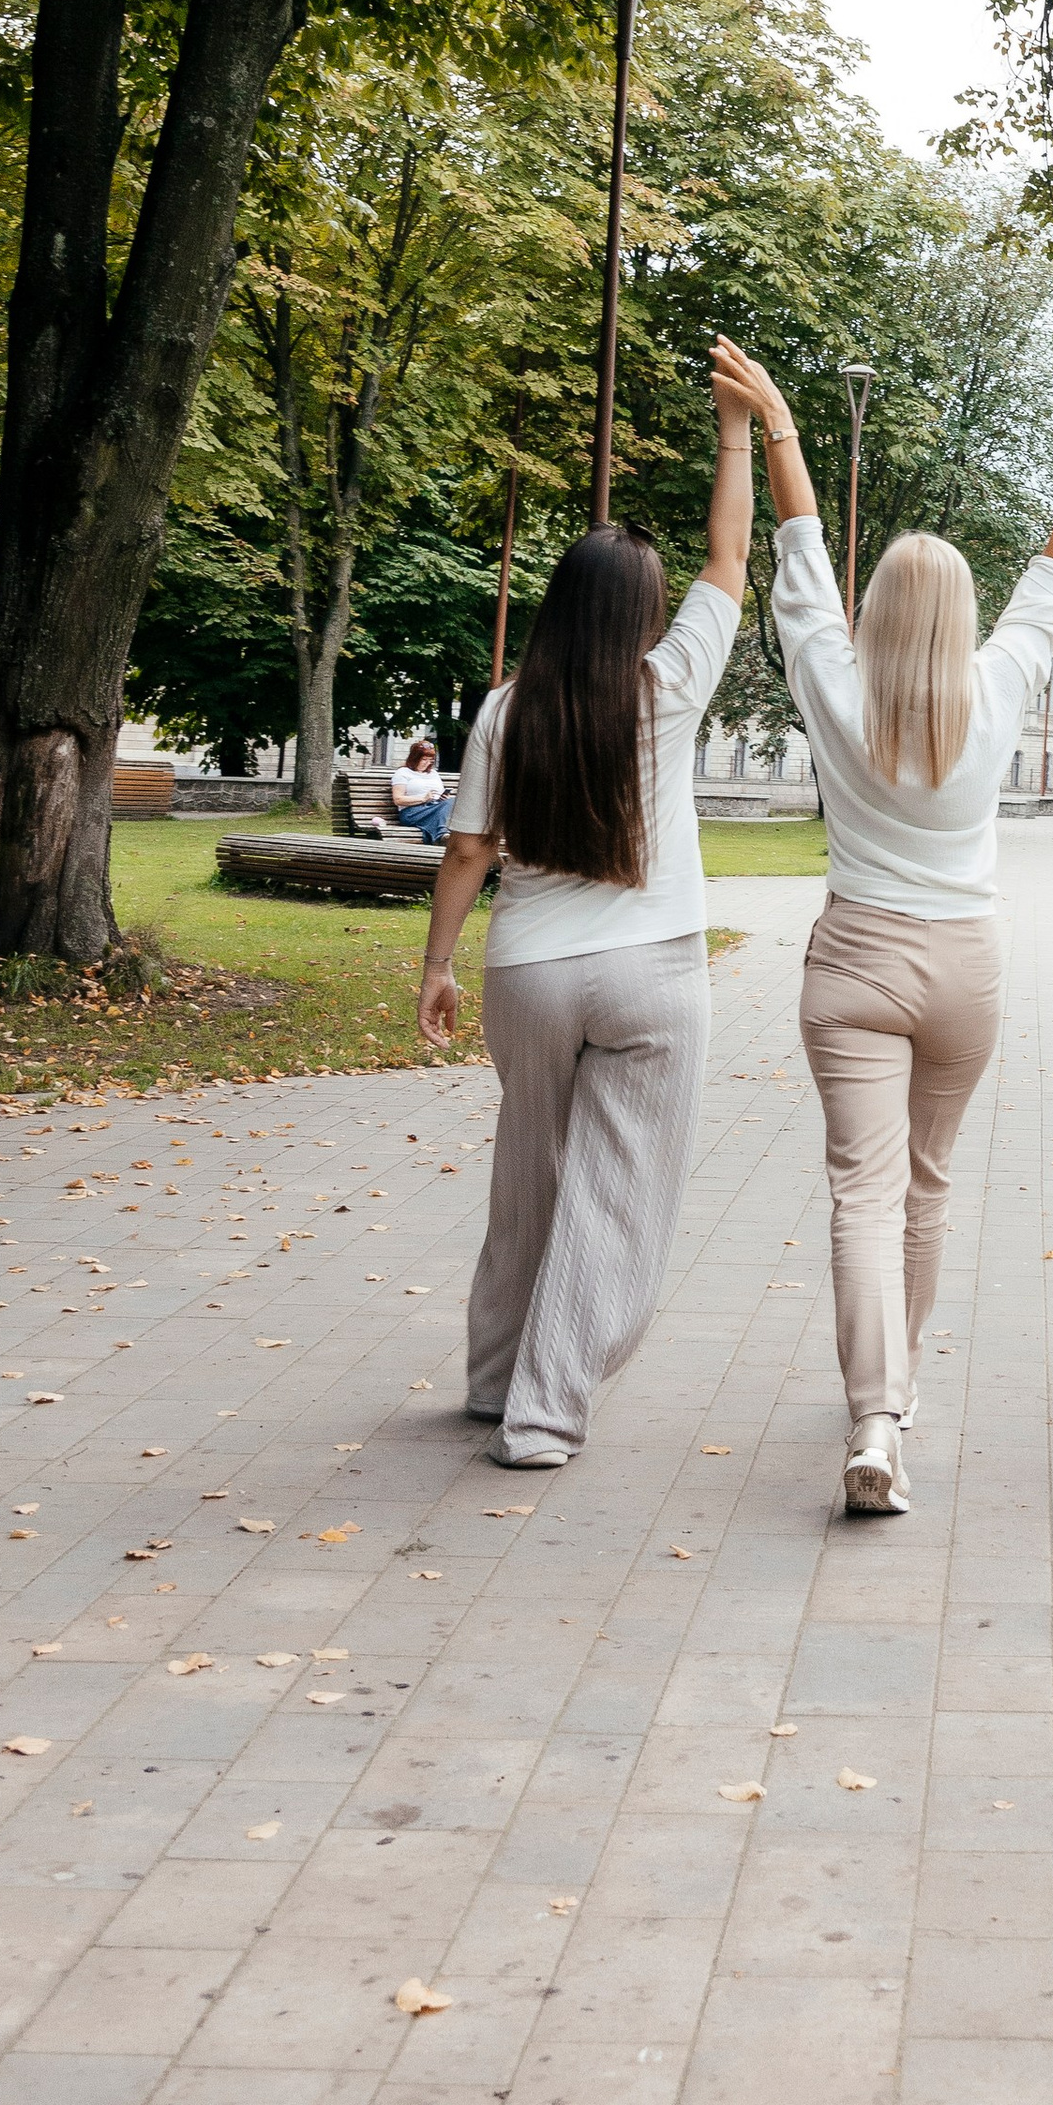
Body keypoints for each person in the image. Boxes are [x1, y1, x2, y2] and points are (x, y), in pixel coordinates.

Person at [730, 334, 1053, 1521]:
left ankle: (874, 1412)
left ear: (875, 613)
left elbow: (798, 551)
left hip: (857, 957)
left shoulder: (831, 675)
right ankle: (899, 1390)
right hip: (966, 965)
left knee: (861, 1194)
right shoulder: (1003, 683)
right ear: (962, 614)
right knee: (925, 1185)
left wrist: (778, 421)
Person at [415, 355, 757, 1467]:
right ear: (646, 616)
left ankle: (487, 1379)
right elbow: (732, 558)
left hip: (529, 971)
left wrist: (437, 967)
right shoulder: (670, 685)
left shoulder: (506, 709)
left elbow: (467, 849)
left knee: (530, 1171)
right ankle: (544, 1414)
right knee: (615, 1192)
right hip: (652, 968)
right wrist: (737, 433)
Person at [389, 737, 453, 842]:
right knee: (446, 807)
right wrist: (423, 798)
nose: (427, 763)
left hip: (434, 807)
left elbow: (440, 797)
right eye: (424, 759)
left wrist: (443, 798)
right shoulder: (403, 772)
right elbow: (398, 799)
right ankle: (442, 834)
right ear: (414, 758)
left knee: (452, 801)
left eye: (430, 760)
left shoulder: (434, 774)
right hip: (412, 811)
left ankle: (445, 836)